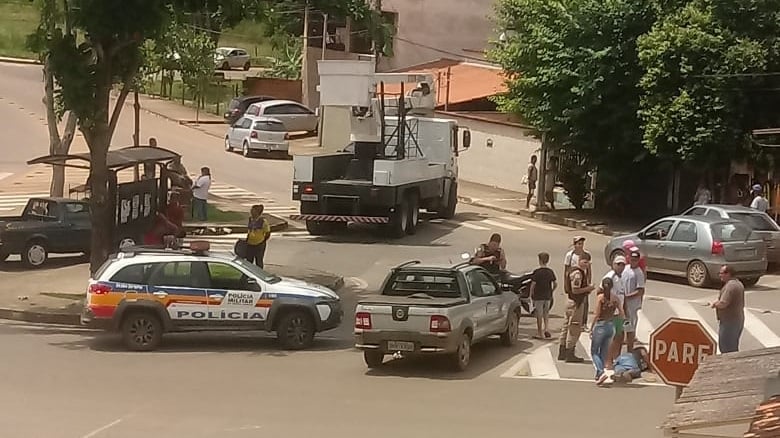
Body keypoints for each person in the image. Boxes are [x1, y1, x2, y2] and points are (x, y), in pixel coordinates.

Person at [558, 252, 594, 363]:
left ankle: (562, 351)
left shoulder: (573, 270)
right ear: (580, 261)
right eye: (584, 262)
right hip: (575, 303)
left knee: (566, 326)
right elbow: (575, 289)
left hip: (570, 302)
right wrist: (588, 288)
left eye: (587, 262)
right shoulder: (578, 273)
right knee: (574, 328)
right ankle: (570, 353)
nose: (586, 264)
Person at [591, 276, 623, 385]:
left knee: (594, 351)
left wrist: (591, 327)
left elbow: (597, 314)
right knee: (604, 351)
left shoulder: (601, 298)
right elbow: (622, 314)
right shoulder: (615, 299)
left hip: (600, 325)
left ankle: (600, 372)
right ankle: (598, 374)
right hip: (610, 325)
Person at [710, 265, 745, 353]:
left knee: (726, 347)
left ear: (728, 274)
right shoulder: (738, 283)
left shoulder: (730, 286)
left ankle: (730, 365)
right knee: (733, 345)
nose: (720, 275)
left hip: (729, 322)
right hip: (737, 320)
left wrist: (714, 304)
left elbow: (723, 303)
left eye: (721, 273)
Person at [605, 256, 630, 367]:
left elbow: (622, 294)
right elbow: (602, 292)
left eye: (622, 264)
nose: (620, 266)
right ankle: (608, 361)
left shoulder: (621, 277)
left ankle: (616, 358)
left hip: (619, 313)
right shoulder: (610, 276)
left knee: (620, 335)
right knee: (613, 336)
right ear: (613, 264)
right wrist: (610, 304)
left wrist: (624, 310)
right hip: (612, 313)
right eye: (618, 264)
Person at [565, 236, 592, 329]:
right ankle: (572, 321)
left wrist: (588, 283)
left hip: (584, 281)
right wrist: (566, 284)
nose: (580, 246)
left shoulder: (586, 254)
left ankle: (583, 323)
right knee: (574, 302)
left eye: (582, 244)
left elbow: (589, 270)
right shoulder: (570, 255)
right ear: (575, 245)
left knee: (585, 302)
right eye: (579, 244)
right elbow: (566, 270)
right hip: (574, 279)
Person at [530, 252, 556, 339]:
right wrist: (552, 290)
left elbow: (533, 284)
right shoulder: (550, 272)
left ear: (540, 260)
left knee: (539, 314)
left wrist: (531, 294)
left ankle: (540, 332)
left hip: (538, 295)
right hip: (547, 295)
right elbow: (555, 283)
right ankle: (546, 329)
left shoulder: (537, 272)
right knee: (546, 313)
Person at [624, 248, 646, 351]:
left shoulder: (639, 273)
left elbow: (640, 291)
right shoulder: (625, 268)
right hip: (622, 304)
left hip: (632, 305)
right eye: (632, 259)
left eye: (635, 259)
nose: (633, 261)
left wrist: (627, 296)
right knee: (620, 326)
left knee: (630, 328)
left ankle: (629, 349)